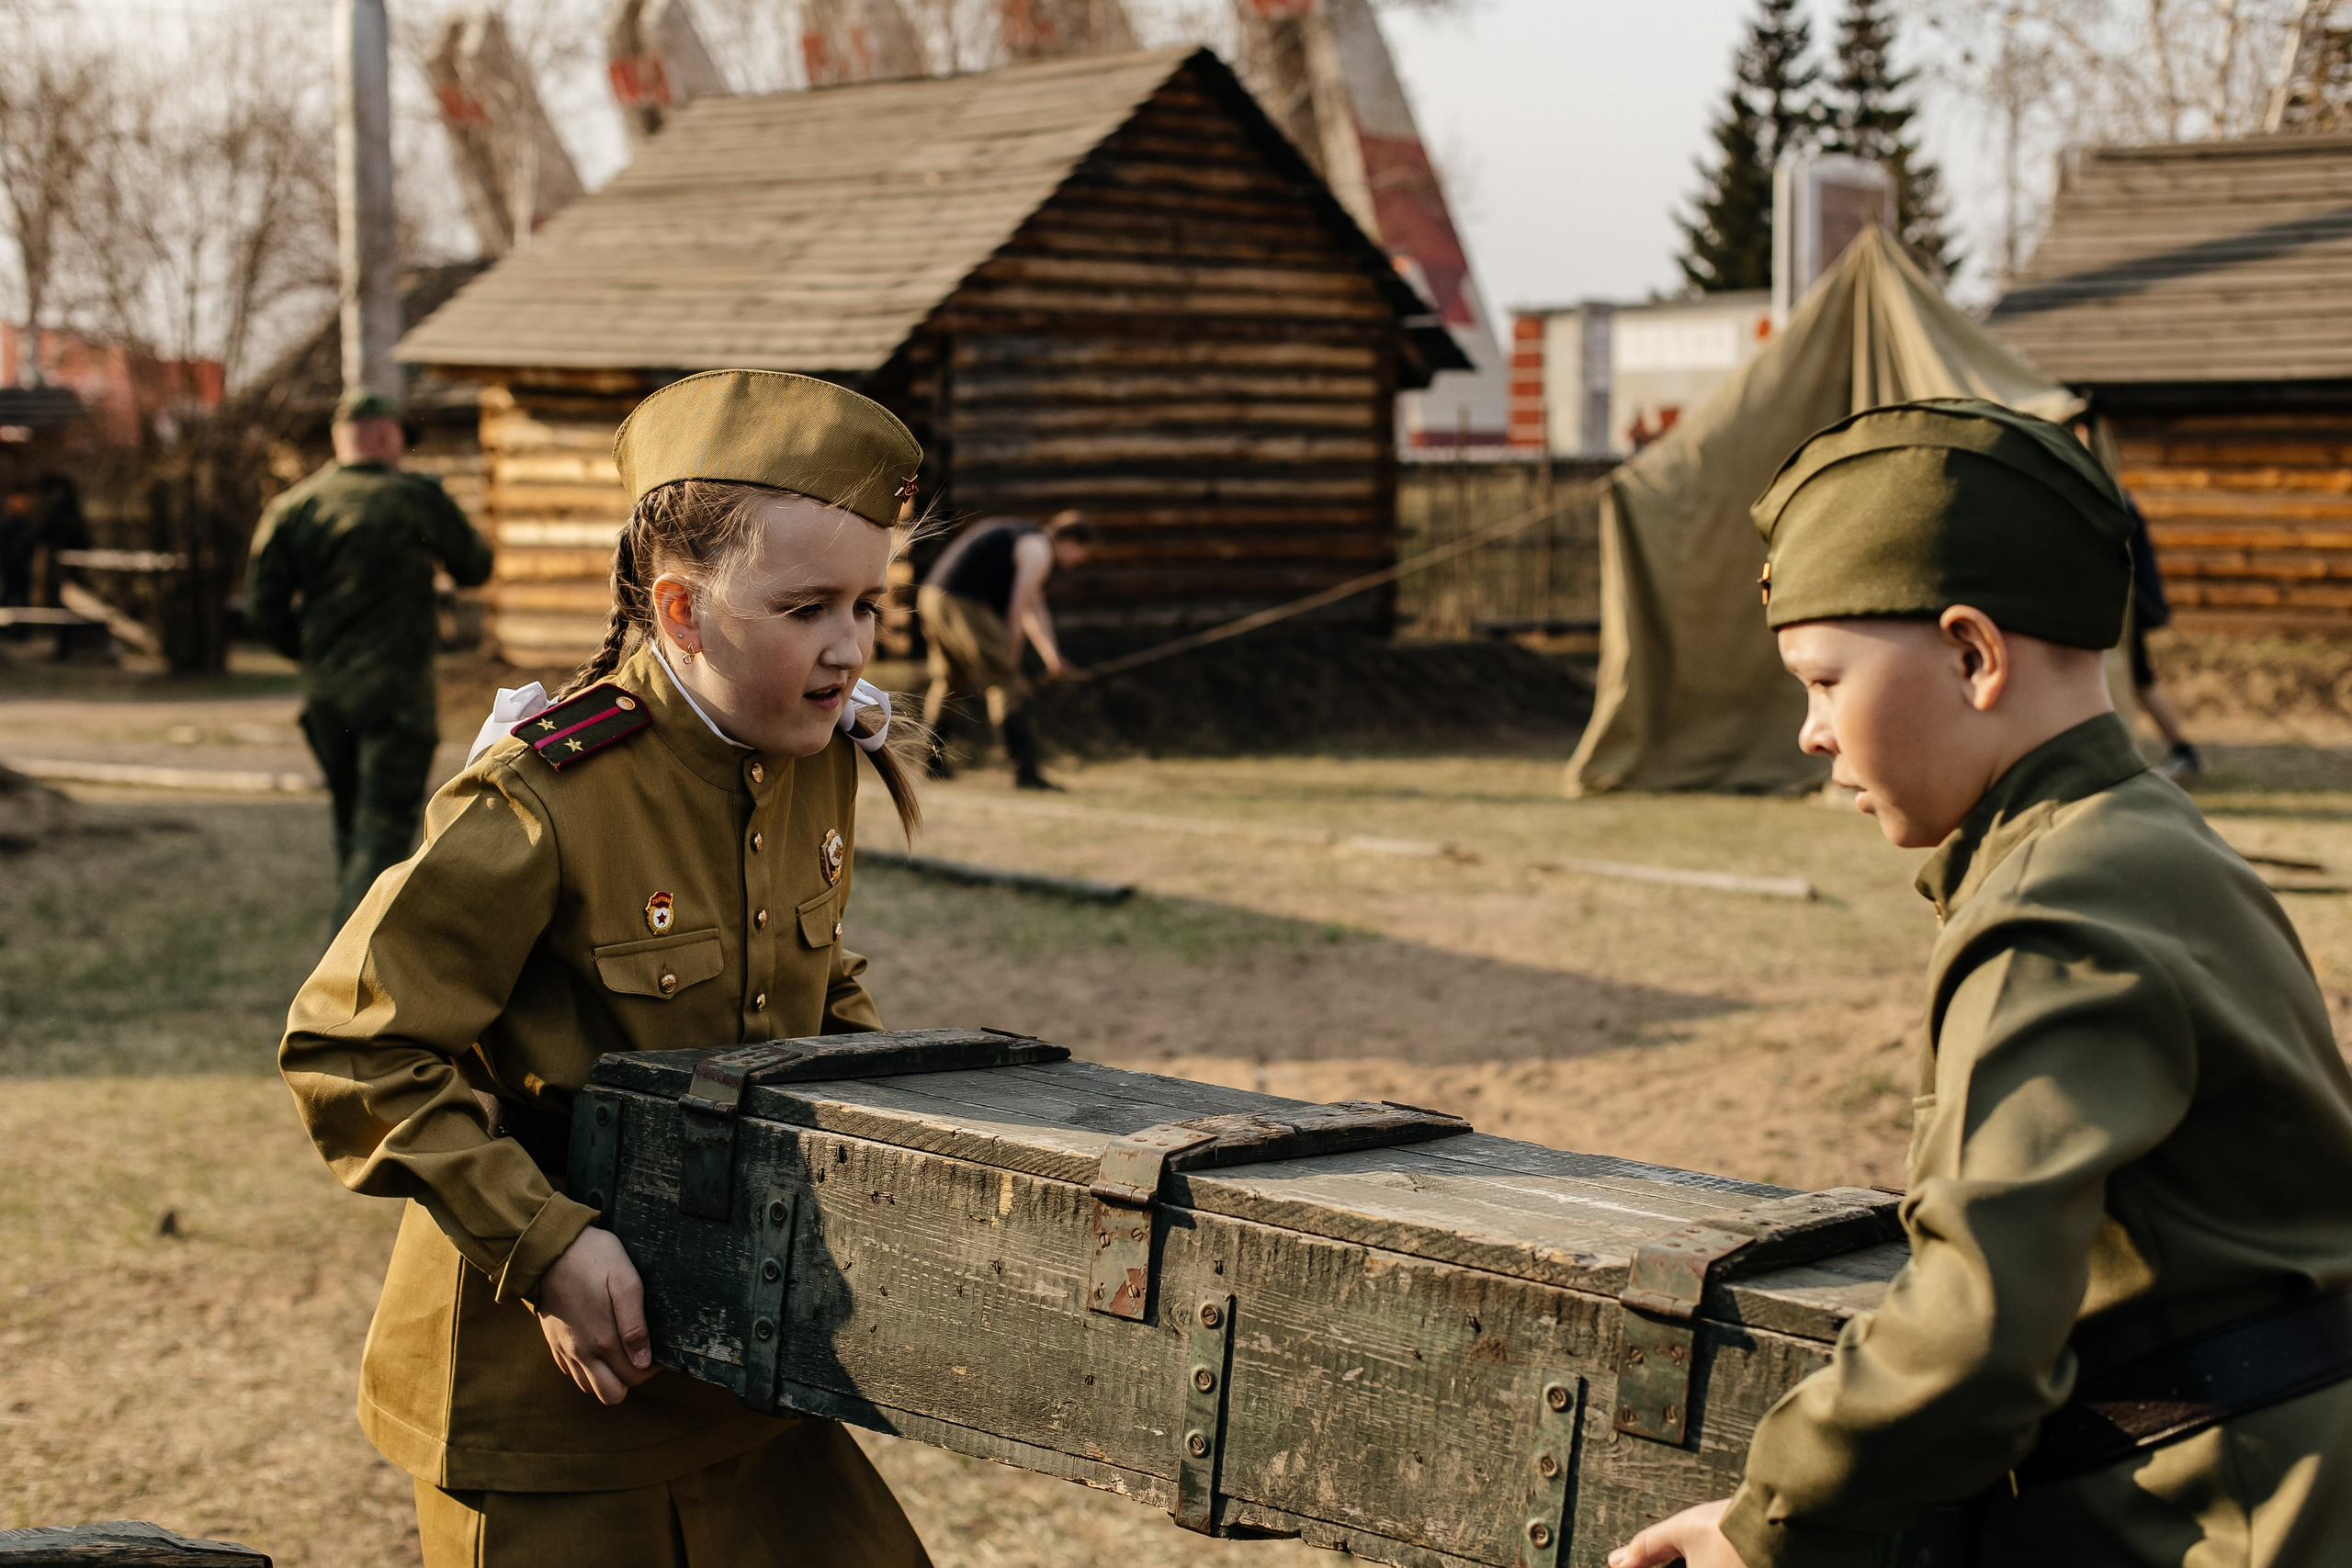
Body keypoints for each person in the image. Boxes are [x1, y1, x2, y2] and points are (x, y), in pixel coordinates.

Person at [1613, 400, 2352, 1568]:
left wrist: (1770, 1527)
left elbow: (1975, 1336)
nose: (1810, 733)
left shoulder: (2053, 908)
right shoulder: (2154, 840)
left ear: (1972, 653)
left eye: (1822, 680)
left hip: (2214, 1520)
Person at [277, 370, 933, 1568]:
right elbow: (351, 1044)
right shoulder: (540, 794)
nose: (848, 647)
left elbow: (814, 983)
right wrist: (547, 1245)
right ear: (681, 613)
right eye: (806, 608)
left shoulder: (812, 754)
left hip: (751, 1370)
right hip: (550, 1413)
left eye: (867, 605)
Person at [245, 389, 494, 925]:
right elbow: (474, 565)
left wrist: (313, 654)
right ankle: (347, 975)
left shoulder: (293, 507)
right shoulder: (413, 497)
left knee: (349, 824)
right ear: (385, 435)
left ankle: (349, 963)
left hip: (327, 696)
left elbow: (263, 608)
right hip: (395, 697)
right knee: (382, 833)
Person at [917, 508, 1091, 789]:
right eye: (1082, 554)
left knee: (949, 681)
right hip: (963, 603)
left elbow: (1036, 610)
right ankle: (1025, 772)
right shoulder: (1039, 550)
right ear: (1072, 541)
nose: (1078, 562)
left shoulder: (1027, 538)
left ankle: (931, 762)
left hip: (932, 596)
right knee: (1006, 683)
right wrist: (1012, 655)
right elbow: (1019, 609)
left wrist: (1052, 658)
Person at [2123, 497, 2202, 782]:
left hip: (2126, 615)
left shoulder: (2118, 505)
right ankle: (2182, 749)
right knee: (2141, 683)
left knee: (2140, 681)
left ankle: (2183, 751)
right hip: (2126, 612)